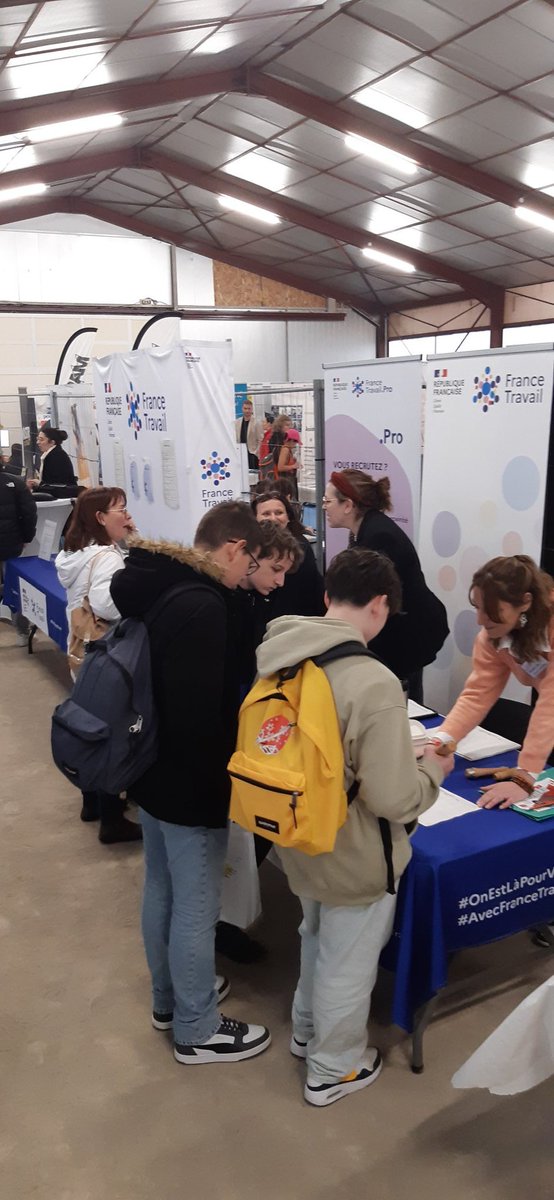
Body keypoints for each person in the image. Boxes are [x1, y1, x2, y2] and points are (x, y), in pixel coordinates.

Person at [255, 548, 453, 1106]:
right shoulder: (372, 680)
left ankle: (304, 1029)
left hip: (296, 830)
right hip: (355, 845)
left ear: (326, 597)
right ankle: (333, 1067)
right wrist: (433, 770)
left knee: (315, 933)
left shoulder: (281, 655)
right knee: (349, 957)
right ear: (382, 605)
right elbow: (393, 798)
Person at [110, 500, 271, 1065]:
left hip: (149, 768)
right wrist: (223, 785)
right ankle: (197, 1027)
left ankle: (169, 1000)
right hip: (191, 779)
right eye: (250, 563)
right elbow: (202, 714)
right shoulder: (204, 605)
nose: (248, 576)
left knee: (162, 889)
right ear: (234, 548)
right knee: (196, 905)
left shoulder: (159, 585)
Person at [55, 487, 142, 845]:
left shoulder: (75, 553)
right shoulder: (106, 558)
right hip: (108, 653)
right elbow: (109, 606)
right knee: (114, 732)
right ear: (100, 518)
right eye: (120, 509)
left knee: (88, 723)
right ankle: (112, 817)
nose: (127, 514)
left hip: (82, 652)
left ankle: (90, 800)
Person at [434, 555, 554, 810]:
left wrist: (525, 775)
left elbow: (550, 703)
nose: (480, 619)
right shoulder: (491, 638)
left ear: (525, 603)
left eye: (490, 611)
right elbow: (477, 694)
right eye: (477, 607)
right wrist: (442, 740)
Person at [323, 470, 448, 701]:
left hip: (410, 635)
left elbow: (369, 598)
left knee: (401, 706)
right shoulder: (368, 529)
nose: (324, 507)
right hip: (400, 632)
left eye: (327, 501)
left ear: (348, 505)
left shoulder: (379, 537)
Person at [252, 490, 325, 620]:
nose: (273, 518)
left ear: (288, 517)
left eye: (279, 513)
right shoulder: (251, 548)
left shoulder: (301, 547)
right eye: (266, 514)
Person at [0, 460, 37, 642]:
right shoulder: (15, 483)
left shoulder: (16, 483)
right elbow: (29, 513)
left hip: (11, 541)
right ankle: (22, 632)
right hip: (10, 542)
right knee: (14, 587)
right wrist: (26, 537)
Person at [28, 426, 76, 491]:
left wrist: (39, 484)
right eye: (37, 439)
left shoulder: (56, 457)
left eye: (41, 439)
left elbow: (56, 484)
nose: (38, 442)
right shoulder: (52, 454)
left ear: (52, 442)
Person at [235, 398, 262, 471]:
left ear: (252, 409)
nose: (247, 410)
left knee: (252, 475)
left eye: (249, 409)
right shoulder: (237, 422)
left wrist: (256, 452)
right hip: (240, 453)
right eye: (245, 408)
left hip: (252, 454)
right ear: (242, 409)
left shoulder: (257, 423)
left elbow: (260, 439)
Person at [276, 428, 301, 499]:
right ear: (291, 440)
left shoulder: (288, 450)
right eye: (295, 442)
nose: (295, 444)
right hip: (285, 481)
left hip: (287, 480)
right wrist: (293, 466)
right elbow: (280, 467)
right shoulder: (285, 450)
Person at [258, 413, 275, 483]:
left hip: (266, 465)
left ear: (269, 424)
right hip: (264, 463)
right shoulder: (266, 436)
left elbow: (267, 452)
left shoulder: (269, 436)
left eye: (264, 422)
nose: (262, 424)